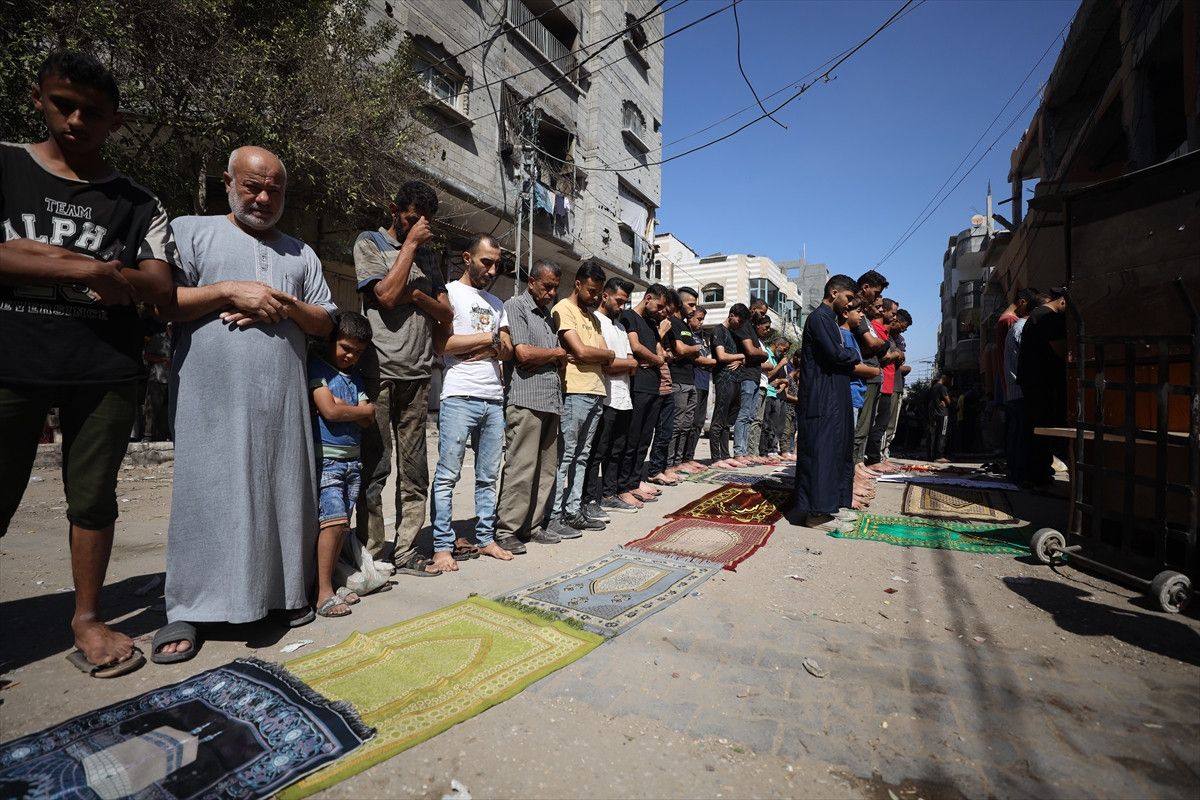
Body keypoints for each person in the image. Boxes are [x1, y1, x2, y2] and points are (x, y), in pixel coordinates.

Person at [0, 52, 173, 677]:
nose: (75, 121)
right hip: (9, 361)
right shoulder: (6, 164)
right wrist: (88, 269)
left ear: (115, 121)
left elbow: (157, 284)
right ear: (39, 99)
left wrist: (30, 254)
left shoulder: (135, 201)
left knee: (94, 498)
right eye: (62, 104)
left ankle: (87, 617)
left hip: (102, 368)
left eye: (92, 113)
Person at [154, 146, 338, 662]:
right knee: (206, 495)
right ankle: (189, 608)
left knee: (282, 491)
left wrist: (280, 305)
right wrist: (233, 291)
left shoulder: (301, 253)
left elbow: (325, 321)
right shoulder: (191, 231)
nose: (263, 197)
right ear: (229, 183)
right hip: (211, 398)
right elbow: (162, 302)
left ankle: (281, 596)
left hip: (280, 402)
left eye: (273, 189)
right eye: (253, 186)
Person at [354, 180, 452, 576]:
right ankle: (373, 554)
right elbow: (386, 295)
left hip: (417, 374)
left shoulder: (431, 258)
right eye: (412, 219)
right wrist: (409, 246)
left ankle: (407, 551)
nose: (418, 227)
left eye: (424, 222)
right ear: (395, 211)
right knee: (375, 467)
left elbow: (445, 313)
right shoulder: (370, 243)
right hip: (378, 370)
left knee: (414, 471)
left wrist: (417, 297)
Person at [429, 234, 513, 571]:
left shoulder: (498, 303)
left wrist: (480, 347)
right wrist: (489, 340)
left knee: (487, 475)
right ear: (467, 258)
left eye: (496, 264)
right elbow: (443, 344)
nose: (492, 270)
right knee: (448, 474)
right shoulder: (450, 293)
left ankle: (485, 538)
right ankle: (441, 546)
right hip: (459, 395)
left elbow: (508, 350)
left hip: (493, 398)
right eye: (485, 262)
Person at [494, 261, 568, 553]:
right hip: (525, 399)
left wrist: (551, 356)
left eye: (554, 287)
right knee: (521, 467)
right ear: (532, 282)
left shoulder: (550, 316)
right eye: (547, 286)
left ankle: (532, 526)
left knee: (546, 469)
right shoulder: (516, 306)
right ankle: (507, 529)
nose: (551, 292)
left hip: (550, 399)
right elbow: (522, 353)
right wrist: (557, 353)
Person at [308, 311, 375, 618]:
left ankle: (332, 583)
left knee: (341, 525)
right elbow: (329, 411)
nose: (350, 356)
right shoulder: (317, 368)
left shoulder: (355, 378)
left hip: (352, 464)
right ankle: (322, 593)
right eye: (346, 348)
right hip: (329, 463)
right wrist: (353, 410)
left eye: (357, 352)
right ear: (331, 341)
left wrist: (343, 408)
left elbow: (369, 416)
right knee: (332, 523)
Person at [549, 261, 615, 537]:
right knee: (566, 455)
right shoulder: (563, 309)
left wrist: (602, 355)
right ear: (577, 284)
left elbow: (604, 355)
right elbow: (581, 351)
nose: (596, 297)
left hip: (596, 390)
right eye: (591, 291)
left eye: (599, 292)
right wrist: (598, 354)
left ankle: (573, 511)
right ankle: (553, 515)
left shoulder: (594, 318)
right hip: (575, 390)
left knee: (582, 455)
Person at [792, 275, 861, 530]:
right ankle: (817, 514)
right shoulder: (819, 319)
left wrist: (848, 355)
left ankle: (834, 506)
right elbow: (837, 355)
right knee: (821, 453)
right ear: (834, 293)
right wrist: (853, 354)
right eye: (849, 298)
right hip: (822, 398)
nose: (849, 305)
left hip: (834, 396)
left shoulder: (831, 322)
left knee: (837, 451)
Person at [584, 277, 639, 514]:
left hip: (623, 397)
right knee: (597, 451)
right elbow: (607, 364)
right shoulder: (596, 321)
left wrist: (624, 362)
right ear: (605, 296)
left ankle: (608, 494)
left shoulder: (621, 327)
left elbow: (631, 363)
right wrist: (625, 362)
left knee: (616, 451)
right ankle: (588, 499)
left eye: (626, 303)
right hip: (604, 396)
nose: (623, 307)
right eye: (619, 301)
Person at [618, 284, 671, 503]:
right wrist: (657, 359)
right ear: (648, 298)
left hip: (654, 386)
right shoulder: (629, 316)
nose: (660, 311)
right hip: (638, 385)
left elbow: (659, 350)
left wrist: (656, 357)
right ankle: (624, 486)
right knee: (632, 438)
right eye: (658, 305)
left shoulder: (651, 323)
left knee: (644, 439)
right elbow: (636, 346)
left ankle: (635, 481)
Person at [1018, 287, 1068, 487]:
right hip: (1042, 383)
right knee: (1042, 430)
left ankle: (1036, 474)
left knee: (1036, 430)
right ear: (1063, 301)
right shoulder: (1048, 317)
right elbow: (1062, 351)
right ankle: (1038, 475)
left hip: (1034, 382)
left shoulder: (1037, 315)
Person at [1002, 289, 1044, 484]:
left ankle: (1017, 473)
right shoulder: (1023, 328)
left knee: (1018, 433)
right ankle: (1021, 474)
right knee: (1023, 435)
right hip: (1021, 390)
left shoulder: (1017, 327)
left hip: (1014, 389)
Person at [646, 288, 683, 486]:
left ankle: (660, 467)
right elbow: (650, 349)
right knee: (651, 434)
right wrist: (660, 334)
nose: (666, 314)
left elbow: (668, 354)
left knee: (666, 431)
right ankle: (652, 471)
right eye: (665, 309)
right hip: (654, 385)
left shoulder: (663, 326)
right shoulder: (651, 324)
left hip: (667, 384)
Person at [864, 298, 904, 473]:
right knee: (874, 424)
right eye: (892, 313)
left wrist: (895, 353)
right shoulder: (874, 328)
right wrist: (895, 354)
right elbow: (884, 356)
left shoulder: (887, 334)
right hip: (879, 382)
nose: (894, 318)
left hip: (887, 384)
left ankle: (877, 457)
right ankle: (872, 458)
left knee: (882, 423)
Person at [707, 304, 749, 469]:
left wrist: (740, 359)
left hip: (736, 380)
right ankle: (715, 458)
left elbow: (740, 359)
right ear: (731, 315)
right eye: (739, 320)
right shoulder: (718, 330)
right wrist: (741, 356)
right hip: (724, 378)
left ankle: (725, 455)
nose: (740, 324)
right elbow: (722, 356)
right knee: (719, 419)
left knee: (727, 421)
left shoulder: (733, 334)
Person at [665, 286, 701, 474]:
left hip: (690, 380)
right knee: (676, 425)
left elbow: (689, 353)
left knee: (687, 425)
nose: (694, 309)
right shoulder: (672, 322)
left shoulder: (686, 326)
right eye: (691, 304)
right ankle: (669, 464)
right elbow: (680, 350)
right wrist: (695, 348)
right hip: (677, 381)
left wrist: (691, 350)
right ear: (680, 302)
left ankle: (679, 462)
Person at [732, 309, 770, 465]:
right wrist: (763, 354)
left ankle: (745, 451)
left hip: (755, 377)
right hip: (747, 377)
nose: (761, 316)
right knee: (744, 414)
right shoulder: (745, 327)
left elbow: (757, 354)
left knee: (750, 416)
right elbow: (750, 351)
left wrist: (760, 353)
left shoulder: (754, 334)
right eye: (761, 313)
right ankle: (739, 452)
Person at [683, 307, 717, 468]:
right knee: (689, 423)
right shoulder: (687, 335)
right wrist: (717, 362)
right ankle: (682, 458)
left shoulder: (704, 338)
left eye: (702, 319)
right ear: (689, 318)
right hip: (693, 381)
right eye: (698, 319)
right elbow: (697, 359)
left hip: (704, 383)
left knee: (699, 422)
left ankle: (689, 457)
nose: (701, 322)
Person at [881, 308, 913, 461]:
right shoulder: (886, 336)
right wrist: (897, 356)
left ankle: (884, 450)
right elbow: (892, 358)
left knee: (892, 423)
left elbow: (901, 359)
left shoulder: (897, 339)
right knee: (884, 421)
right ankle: (879, 453)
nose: (904, 330)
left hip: (897, 384)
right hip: (888, 384)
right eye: (903, 326)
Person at [926, 374, 951, 462]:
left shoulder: (933, 388)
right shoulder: (942, 388)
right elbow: (948, 401)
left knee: (935, 435)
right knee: (942, 434)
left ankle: (932, 455)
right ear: (944, 378)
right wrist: (948, 401)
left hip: (934, 414)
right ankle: (939, 456)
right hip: (942, 414)